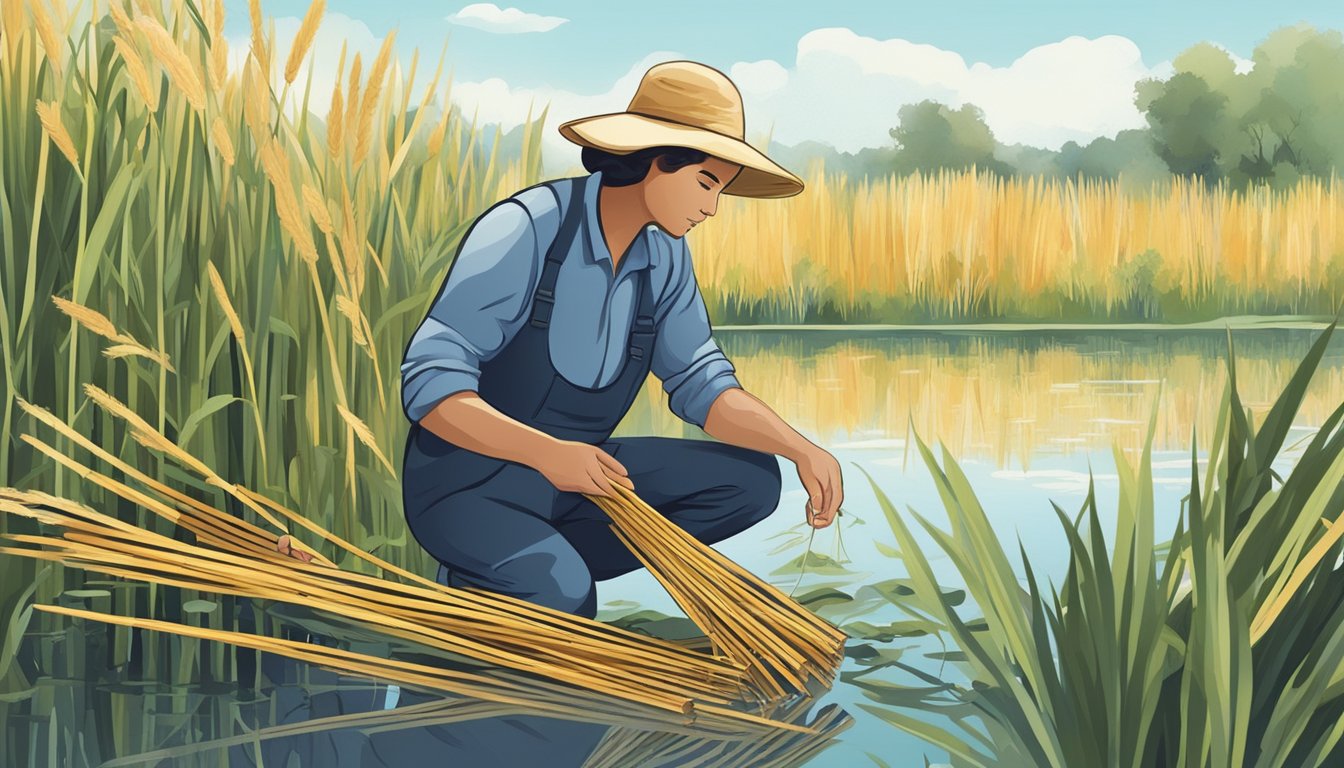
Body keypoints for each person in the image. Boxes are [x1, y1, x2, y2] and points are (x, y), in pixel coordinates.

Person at [279, 61, 845, 619]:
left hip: (577, 481)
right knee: (566, 597)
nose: (711, 207)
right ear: (653, 161)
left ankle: (514, 573)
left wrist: (802, 449)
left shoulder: (665, 257)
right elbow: (430, 386)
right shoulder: (529, 226)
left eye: (719, 189)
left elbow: (702, 384)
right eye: (704, 182)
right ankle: (512, 576)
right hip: (469, 484)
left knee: (750, 481)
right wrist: (547, 454)